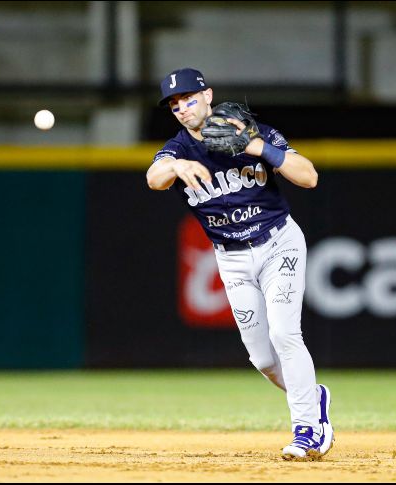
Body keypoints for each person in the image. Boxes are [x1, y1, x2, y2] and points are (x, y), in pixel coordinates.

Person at [146, 67, 334, 461]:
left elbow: (309, 177)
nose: (182, 108)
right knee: (263, 360)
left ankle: (307, 431)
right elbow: (153, 178)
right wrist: (176, 167)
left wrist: (259, 147)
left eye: (189, 98)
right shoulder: (177, 150)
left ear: (208, 95)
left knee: (285, 333)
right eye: (174, 105)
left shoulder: (251, 132)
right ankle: (313, 397)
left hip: (278, 244)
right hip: (231, 259)